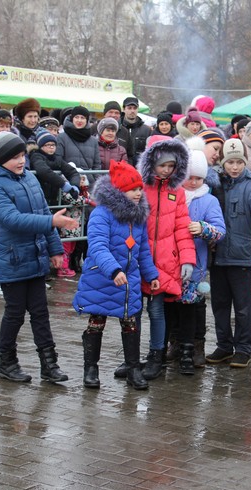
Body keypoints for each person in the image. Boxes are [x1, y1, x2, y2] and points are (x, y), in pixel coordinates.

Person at [0, 131, 78, 383]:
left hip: (36, 255)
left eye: (22, 156)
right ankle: (7, 363)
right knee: (15, 312)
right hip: (12, 257)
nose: (21, 161)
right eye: (14, 157)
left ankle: (49, 365)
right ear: (0, 159)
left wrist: (54, 248)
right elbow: (11, 219)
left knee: (40, 312)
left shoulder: (29, 177)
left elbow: (41, 212)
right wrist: (51, 220)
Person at [73, 160, 160, 390]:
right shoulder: (102, 214)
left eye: (140, 189)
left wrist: (151, 274)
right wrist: (113, 269)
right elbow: (98, 246)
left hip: (128, 281)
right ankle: (90, 368)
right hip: (102, 278)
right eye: (134, 189)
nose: (139, 193)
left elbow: (142, 251)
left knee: (130, 323)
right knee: (96, 322)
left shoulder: (137, 216)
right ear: (120, 190)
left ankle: (133, 369)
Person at [119, 138, 195, 381]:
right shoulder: (140, 187)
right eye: (162, 165)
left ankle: (156, 356)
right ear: (151, 163)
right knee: (133, 310)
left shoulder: (178, 192)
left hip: (164, 260)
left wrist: (186, 259)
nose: (166, 170)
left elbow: (182, 227)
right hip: (138, 257)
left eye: (171, 166)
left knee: (156, 310)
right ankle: (132, 358)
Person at [206, 139, 251, 368]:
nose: (235, 167)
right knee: (219, 304)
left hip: (240, 255)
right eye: (231, 162)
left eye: (239, 162)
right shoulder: (214, 180)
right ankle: (224, 346)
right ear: (223, 161)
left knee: (243, 307)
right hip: (216, 254)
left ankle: (244, 348)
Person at [165, 150, 226, 373]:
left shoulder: (209, 200)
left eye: (198, 178)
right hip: (170, 262)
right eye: (189, 177)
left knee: (193, 307)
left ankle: (194, 347)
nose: (193, 182)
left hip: (196, 264)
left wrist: (203, 229)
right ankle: (175, 343)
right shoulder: (171, 195)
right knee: (171, 306)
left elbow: (220, 230)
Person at [29, 129, 84, 277]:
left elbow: (72, 171)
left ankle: (52, 266)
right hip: (39, 200)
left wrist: (74, 186)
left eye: (53, 145)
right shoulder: (36, 156)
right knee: (40, 234)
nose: (51, 148)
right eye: (47, 145)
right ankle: (41, 268)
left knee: (52, 234)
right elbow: (43, 171)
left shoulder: (57, 158)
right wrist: (64, 185)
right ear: (40, 146)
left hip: (53, 201)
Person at [56, 106, 101, 177]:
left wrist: (96, 182)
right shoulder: (62, 137)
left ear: (86, 120)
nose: (79, 120)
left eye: (82, 118)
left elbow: (97, 165)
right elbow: (58, 160)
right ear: (72, 119)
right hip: (69, 179)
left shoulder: (93, 141)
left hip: (88, 182)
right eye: (76, 117)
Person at [120, 96, 152, 166]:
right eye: (129, 108)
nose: (132, 111)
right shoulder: (118, 129)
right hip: (121, 168)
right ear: (124, 109)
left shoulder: (147, 130)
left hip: (139, 169)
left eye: (135, 108)